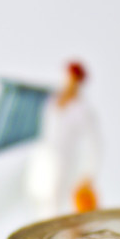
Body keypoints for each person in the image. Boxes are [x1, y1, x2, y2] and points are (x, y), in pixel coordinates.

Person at [24, 61, 101, 218]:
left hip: (63, 162)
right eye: (67, 78)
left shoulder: (83, 110)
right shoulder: (51, 101)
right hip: (42, 157)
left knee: (55, 205)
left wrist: (89, 174)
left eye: (73, 79)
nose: (69, 82)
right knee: (38, 197)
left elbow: (95, 144)